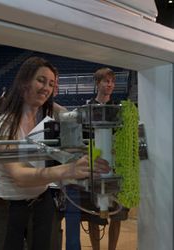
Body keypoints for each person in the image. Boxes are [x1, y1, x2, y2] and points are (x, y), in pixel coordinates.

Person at [0, 57, 111, 250]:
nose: (46, 88)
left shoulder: (48, 115)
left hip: (41, 203)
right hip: (8, 208)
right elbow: (19, 176)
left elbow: (76, 124)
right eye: (41, 80)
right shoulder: (5, 123)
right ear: (24, 81)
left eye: (51, 83)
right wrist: (67, 170)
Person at [87, 67, 129, 250]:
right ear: (98, 83)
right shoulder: (87, 107)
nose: (110, 85)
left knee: (117, 215)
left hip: (116, 167)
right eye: (106, 81)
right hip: (95, 167)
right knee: (94, 215)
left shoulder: (118, 108)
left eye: (112, 81)